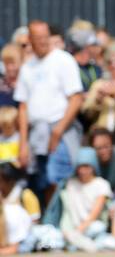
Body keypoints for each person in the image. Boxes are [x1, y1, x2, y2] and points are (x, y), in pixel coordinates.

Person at [15, 20, 85, 204]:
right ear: (30, 39)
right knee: (41, 180)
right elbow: (23, 107)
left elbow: (76, 99)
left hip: (61, 130)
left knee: (58, 178)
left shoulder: (63, 60)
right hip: (37, 133)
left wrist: (58, 131)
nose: (43, 42)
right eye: (38, 38)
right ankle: (47, 223)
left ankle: (58, 223)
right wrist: (23, 143)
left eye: (46, 37)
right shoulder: (27, 68)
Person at [60, 146, 115, 252]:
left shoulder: (102, 184)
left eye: (86, 166)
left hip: (92, 227)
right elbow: (66, 211)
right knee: (54, 237)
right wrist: (70, 230)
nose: (83, 170)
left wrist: (79, 231)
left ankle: (79, 244)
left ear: (93, 166)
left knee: (100, 231)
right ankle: (81, 244)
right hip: (72, 227)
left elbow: (95, 213)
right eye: (80, 166)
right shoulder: (70, 184)